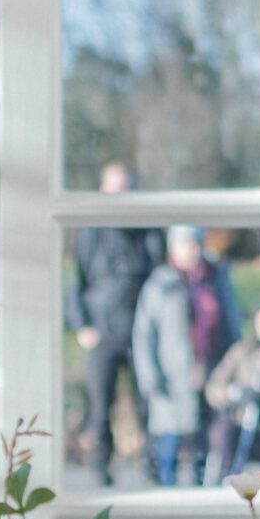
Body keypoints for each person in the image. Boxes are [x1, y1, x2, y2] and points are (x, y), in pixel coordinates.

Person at [65, 163, 164, 486]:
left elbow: (159, 276)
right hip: (103, 330)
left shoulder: (147, 230)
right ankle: (100, 468)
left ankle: (152, 465)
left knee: (147, 401)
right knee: (100, 404)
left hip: (140, 331)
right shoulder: (91, 233)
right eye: (114, 187)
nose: (121, 194)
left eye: (126, 187)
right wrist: (83, 326)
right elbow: (76, 283)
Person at [130, 225, 237, 486]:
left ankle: (202, 492)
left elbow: (231, 323)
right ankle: (167, 493)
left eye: (196, 244)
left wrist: (234, 368)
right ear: (173, 249)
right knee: (170, 440)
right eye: (186, 244)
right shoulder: (160, 285)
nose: (193, 250)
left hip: (212, 372)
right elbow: (144, 336)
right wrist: (149, 377)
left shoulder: (215, 279)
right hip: (171, 377)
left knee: (206, 441)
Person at [202, 304, 260, 486]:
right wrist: (235, 393)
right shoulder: (243, 351)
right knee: (222, 432)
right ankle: (218, 483)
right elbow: (213, 388)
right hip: (240, 421)